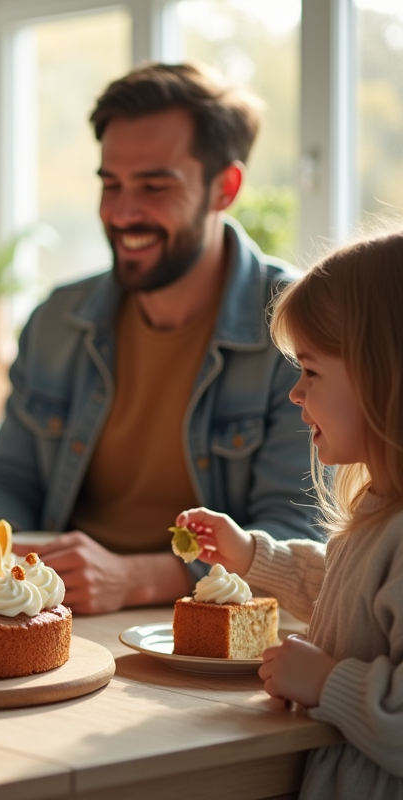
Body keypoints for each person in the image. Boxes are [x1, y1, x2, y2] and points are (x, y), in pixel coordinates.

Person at [0, 62, 321, 615]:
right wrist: (13, 571)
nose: (123, 212)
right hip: (59, 613)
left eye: (154, 186)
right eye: (111, 184)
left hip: (208, 629)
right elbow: (6, 482)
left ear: (223, 188)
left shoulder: (298, 327)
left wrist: (137, 579)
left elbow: (295, 537)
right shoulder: (58, 318)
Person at [178, 230, 403, 797]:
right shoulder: (382, 509)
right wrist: (254, 555)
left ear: (383, 375)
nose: (295, 395)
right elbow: (351, 604)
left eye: (311, 371)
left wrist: (329, 683)